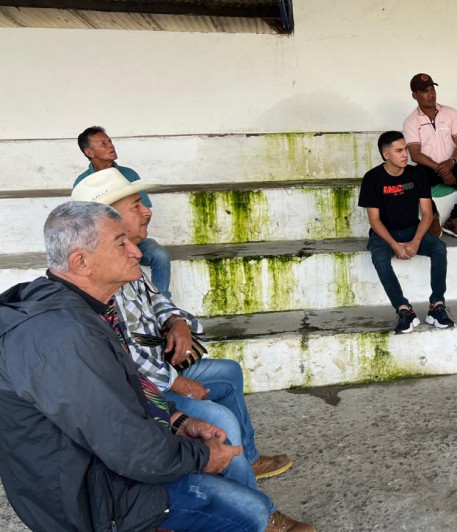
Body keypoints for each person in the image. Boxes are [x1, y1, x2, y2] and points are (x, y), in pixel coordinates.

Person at [0, 202, 314, 532]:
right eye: (121, 242)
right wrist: (203, 457)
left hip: (99, 469)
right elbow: (131, 449)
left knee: (241, 488)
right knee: (250, 510)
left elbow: (116, 400)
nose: (136, 251)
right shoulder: (64, 334)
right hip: (88, 501)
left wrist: (178, 420)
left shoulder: (72, 307)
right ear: (81, 262)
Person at [72, 168, 295, 484]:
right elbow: (122, 360)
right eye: (136, 205)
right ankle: (252, 508)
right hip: (143, 392)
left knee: (228, 372)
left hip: (162, 369)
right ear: (109, 221)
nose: (147, 211)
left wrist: (178, 322)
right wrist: (176, 382)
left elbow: (160, 301)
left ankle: (249, 460)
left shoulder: (128, 259)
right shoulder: (98, 278)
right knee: (219, 419)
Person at [359, 131, 453, 333]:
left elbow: (427, 214)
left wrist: (416, 240)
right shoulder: (372, 178)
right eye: (399, 150)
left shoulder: (417, 174)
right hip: (384, 234)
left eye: (406, 149)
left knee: (439, 248)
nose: (405, 155)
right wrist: (394, 245)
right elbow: (374, 220)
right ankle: (403, 309)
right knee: (379, 257)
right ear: (386, 155)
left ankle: (437, 305)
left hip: (413, 230)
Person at [75, 126, 173, 298]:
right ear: (89, 152)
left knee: (159, 255)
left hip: (133, 239)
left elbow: (145, 211)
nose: (110, 146)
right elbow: (85, 223)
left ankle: (162, 303)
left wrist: (132, 240)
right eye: (103, 143)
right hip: (103, 244)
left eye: (110, 141)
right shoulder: (83, 182)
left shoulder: (129, 174)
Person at [403, 73, 457, 238]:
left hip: (451, 163)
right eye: (425, 91)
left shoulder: (450, 113)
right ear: (414, 95)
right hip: (427, 167)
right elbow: (415, 155)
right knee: (413, 181)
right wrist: (441, 169)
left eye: (432, 89)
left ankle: (454, 219)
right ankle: (432, 217)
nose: (431, 94)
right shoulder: (410, 121)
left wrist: (451, 163)